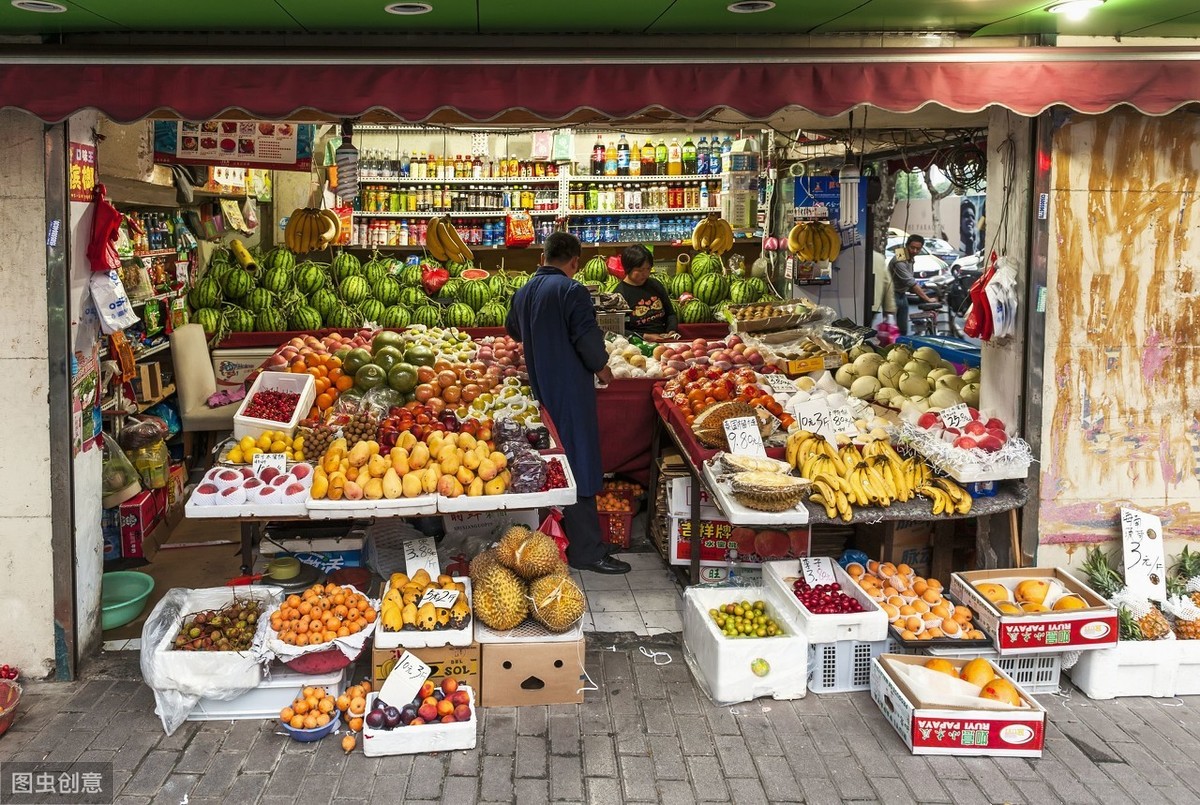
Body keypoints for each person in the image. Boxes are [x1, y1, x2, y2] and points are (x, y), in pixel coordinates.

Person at [506, 232, 631, 575]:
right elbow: (588, 341)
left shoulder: (524, 291)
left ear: (543, 257)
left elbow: (514, 330)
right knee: (580, 463)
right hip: (571, 391)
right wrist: (603, 369)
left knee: (554, 464)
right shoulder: (571, 290)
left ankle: (557, 541)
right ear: (575, 261)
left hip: (540, 390)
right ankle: (586, 551)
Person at [615, 244, 678, 341]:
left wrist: (671, 330)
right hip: (638, 344)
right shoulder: (619, 295)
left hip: (664, 340)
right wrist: (646, 337)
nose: (645, 274)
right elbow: (619, 330)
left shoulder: (655, 285)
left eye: (648, 269)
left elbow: (671, 314)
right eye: (640, 270)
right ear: (628, 269)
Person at [888, 234, 937, 335]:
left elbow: (910, 283)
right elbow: (910, 282)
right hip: (891, 296)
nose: (915, 251)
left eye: (918, 249)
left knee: (903, 329)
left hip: (902, 294)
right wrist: (927, 299)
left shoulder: (910, 257)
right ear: (907, 246)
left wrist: (923, 291)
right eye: (912, 248)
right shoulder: (900, 258)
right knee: (890, 330)